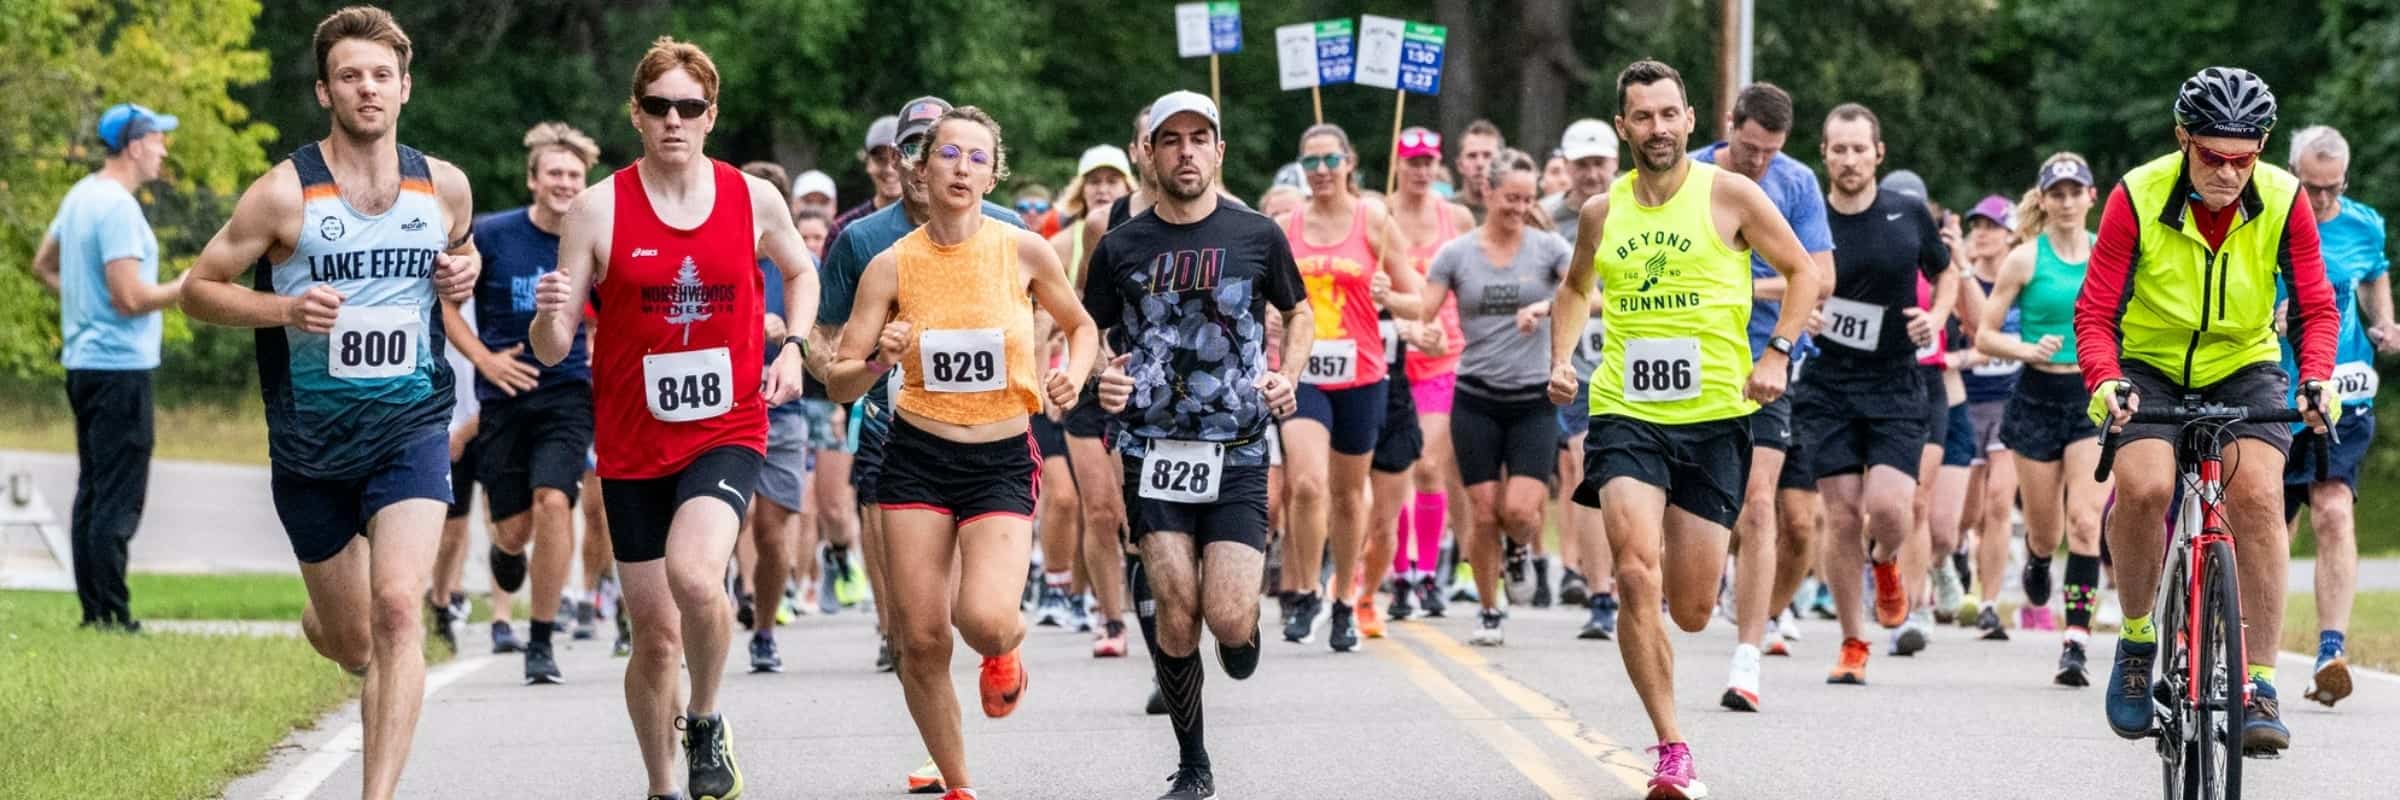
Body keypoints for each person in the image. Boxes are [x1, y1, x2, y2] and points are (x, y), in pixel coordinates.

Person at [177, 9, 479, 799]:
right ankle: (325, 623)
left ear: (405, 88)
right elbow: (197, 291)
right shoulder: (283, 193)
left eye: (381, 75)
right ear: (325, 90)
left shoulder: (442, 185)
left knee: (399, 609)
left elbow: (460, 253)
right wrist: (284, 309)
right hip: (310, 443)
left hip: (412, 424)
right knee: (352, 634)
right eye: (351, 75)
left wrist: (463, 273)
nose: (367, 89)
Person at [528, 36, 821, 800]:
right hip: (630, 442)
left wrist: (791, 346)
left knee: (697, 575)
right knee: (655, 640)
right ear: (636, 112)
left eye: (689, 107)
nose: (673, 121)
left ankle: (708, 716)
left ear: (710, 115)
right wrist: (547, 319)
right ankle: (661, 784)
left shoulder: (752, 199)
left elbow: (800, 269)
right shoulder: (597, 208)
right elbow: (555, 347)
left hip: (727, 427)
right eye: (658, 106)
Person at [1549, 59, 1821, 800]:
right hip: (1625, 414)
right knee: (1636, 569)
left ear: (1691, 120)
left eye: (1669, 115)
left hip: (1716, 419)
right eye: (1642, 116)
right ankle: (1672, 748)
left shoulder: (1732, 195)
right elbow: (1575, 287)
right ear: (1622, 126)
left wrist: (1778, 352)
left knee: (1695, 610)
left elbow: (1803, 274)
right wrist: (1563, 356)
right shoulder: (1602, 212)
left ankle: (1715, 588)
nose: (1657, 129)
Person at [820, 104, 1097, 800]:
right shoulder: (889, 266)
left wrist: (1074, 371)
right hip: (915, 456)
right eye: (948, 154)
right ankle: (959, 783)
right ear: (920, 167)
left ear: (992, 173)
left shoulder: (1023, 248)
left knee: (983, 619)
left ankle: (1006, 648)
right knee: (920, 638)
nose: (962, 169)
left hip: (1001, 457)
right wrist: (877, 361)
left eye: (977, 157)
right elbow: (837, 378)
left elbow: (1081, 324)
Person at [2083, 67, 2338, 755]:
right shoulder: (2136, 194)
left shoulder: (2284, 199)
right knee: (2146, 486)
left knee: (2256, 493)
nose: (2229, 172)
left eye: (2244, 158)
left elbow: (2316, 306)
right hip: (2148, 365)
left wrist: (2314, 379)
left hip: (2245, 363)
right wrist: (2106, 381)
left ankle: (2258, 681)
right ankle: (2138, 641)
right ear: (2183, 139)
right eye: (2213, 157)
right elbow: (2096, 309)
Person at [1086, 89, 1304, 800]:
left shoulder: (1257, 236)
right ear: (1147, 153)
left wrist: (1287, 376)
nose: (1185, 151)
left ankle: (1242, 638)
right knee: (1176, 606)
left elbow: (1298, 313)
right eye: (1170, 139)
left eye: (1198, 138)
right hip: (1152, 449)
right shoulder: (1119, 246)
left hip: (1239, 445)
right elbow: (1087, 331)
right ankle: (1194, 762)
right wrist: (1102, 379)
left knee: (1228, 617)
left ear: (1219, 151)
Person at [438, 121, 601, 683]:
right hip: (503, 395)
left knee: (556, 500)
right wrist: (485, 361)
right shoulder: (492, 234)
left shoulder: (592, 237)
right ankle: (507, 556)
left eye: (574, 175)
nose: (564, 183)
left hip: (568, 391)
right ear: (533, 180)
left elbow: (622, 308)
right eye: (554, 173)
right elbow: (445, 307)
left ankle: (541, 638)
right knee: (513, 532)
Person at [1690, 82, 1837, 705]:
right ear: (1731, 127)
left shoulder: (1796, 182)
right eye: (1750, 148)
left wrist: (1750, 289)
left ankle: (1748, 656)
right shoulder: (1692, 174)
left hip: (1769, 360)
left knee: (1763, 506)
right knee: (1702, 513)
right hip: (1696, 359)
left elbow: (1821, 277)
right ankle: (1708, 589)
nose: (1758, 163)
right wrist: (1773, 277)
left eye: (1770, 152)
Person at [1802, 103, 1956, 686]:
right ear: (1824, 155)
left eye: (1858, 149)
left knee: (1891, 509)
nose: (1848, 160)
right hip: (1829, 385)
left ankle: (1886, 561)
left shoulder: (1907, 212)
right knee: (1840, 515)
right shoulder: (1807, 218)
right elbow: (1782, 276)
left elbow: (1948, 272)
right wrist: (1805, 314)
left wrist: (1935, 317)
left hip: (1896, 380)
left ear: (1878, 154)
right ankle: (1852, 642)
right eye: (1837, 149)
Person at [33, 102, 183, 632]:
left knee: (94, 489)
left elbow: (43, 264)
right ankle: (112, 616)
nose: (164, 148)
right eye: (159, 138)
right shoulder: (117, 208)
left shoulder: (80, 196)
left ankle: (95, 611)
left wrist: (82, 301)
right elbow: (129, 298)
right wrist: (186, 290)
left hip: (84, 363)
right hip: (120, 367)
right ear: (135, 144)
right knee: (117, 496)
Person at [1281, 122, 1423, 651]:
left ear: (1349, 162)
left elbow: (1418, 299)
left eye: (1329, 160)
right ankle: (1305, 590)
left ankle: (1344, 598)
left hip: (1363, 374)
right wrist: (1274, 318)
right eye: (1310, 162)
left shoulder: (1375, 220)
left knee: (1346, 495)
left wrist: (1392, 295)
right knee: (1307, 484)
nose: (1320, 172)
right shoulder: (1287, 225)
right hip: (1304, 371)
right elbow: (1268, 297)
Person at [1425, 148, 1572, 646]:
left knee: (1520, 511)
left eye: (1527, 198)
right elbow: (1422, 308)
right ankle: (1490, 608)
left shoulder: (1550, 248)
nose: (1519, 207)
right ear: (1487, 192)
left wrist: (1547, 307)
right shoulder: (1457, 254)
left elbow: (1591, 294)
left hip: (1533, 397)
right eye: (1511, 197)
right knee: (1484, 511)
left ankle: (1520, 548)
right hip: (1476, 397)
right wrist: (1395, 305)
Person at [1978, 153, 2109, 686]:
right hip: (2035, 394)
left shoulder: (2109, 255)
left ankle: (2075, 640)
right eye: (2057, 193)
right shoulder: (2025, 259)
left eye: (2076, 191)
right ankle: (2035, 556)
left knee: (2084, 521)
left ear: (2091, 197)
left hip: (2090, 395)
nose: (2067, 201)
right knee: (2045, 529)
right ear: (2045, 200)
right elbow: (1986, 334)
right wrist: (2027, 348)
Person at [2280, 124, 2393, 709]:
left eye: (2331, 188)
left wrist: (2385, 324)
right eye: (2310, 188)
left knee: (2331, 510)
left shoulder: (2364, 223)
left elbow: (2374, 275)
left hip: (2341, 393)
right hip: (2272, 393)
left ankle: (2330, 651)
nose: (2321, 201)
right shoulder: (2267, 218)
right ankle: (2248, 648)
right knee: (2273, 527)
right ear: (2292, 175)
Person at [1040, 142, 1137, 656]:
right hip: (1091, 381)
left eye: (1112, 180)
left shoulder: (1161, 232)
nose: (1102, 189)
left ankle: (1153, 606)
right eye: (1093, 180)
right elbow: (1071, 315)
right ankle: (1111, 620)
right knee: (1097, 510)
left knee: (1133, 513)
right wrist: (1070, 371)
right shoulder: (1070, 241)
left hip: (1144, 385)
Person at [1379, 126, 1472, 628]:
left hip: (1444, 353)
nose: (1420, 171)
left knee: (1429, 466)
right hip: (1390, 358)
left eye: (1428, 162)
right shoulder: (1380, 214)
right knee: (1398, 470)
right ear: (1397, 163)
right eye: (1412, 161)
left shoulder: (1454, 217)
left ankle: (1428, 571)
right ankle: (1400, 573)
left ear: (1438, 165)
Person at [1542, 118, 1623, 639]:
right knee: (1591, 464)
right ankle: (1599, 594)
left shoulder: (1639, 208)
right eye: (1583, 164)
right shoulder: (1545, 218)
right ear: (1567, 167)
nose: (1592, 173)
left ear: (1616, 164)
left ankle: (1641, 581)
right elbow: (1546, 286)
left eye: (1601, 162)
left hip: (1641, 358)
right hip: (1581, 364)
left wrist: (1587, 298)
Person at [1952, 194, 2023, 639]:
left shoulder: (2022, 280)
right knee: (1967, 511)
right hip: (1965, 401)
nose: (1982, 232)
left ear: (2010, 233)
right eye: (1976, 224)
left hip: (2011, 403)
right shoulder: (1961, 279)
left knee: (1999, 504)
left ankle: (1990, 602)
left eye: (1992, 226)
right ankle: (1954, 549)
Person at [829, 115, 903, 245]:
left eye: (897, 159)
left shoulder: (933, 225)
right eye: (881, 159)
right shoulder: (843, 229)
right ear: (868, 163)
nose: (890, 169)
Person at [1453, 118, 1504, 218]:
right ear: (1459, 165)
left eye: (1487, 155)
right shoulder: (1445, 211)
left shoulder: (1512, 212)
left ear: (1501, 163)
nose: (1480, 164)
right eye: (1472, 156)